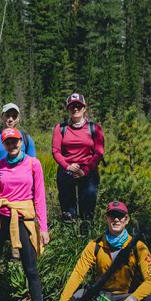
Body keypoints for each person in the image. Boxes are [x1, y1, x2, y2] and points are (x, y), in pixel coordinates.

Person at [0, 127, 50, 301]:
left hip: (22, 217)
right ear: (4, 144)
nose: (12, 145)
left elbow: (40, 198)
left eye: (15, 141)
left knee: (30, 267)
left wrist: (43, 228)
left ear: (21, 142)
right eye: (8, 142)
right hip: (1, 215)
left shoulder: (34, 164)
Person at [51, 92, 105, 223]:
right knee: (68, 209)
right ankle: (69, 235)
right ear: (68, 109)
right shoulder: (60, 128)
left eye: (78, 106)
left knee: (88, 206)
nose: (75, 109)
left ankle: (86, 235)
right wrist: (67, 166)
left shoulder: (95, 128)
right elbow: (56, 151)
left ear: (84, 108)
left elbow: (98, 153)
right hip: (66, 170)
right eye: (72, 106)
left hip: (88, 171)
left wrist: (84, 170)